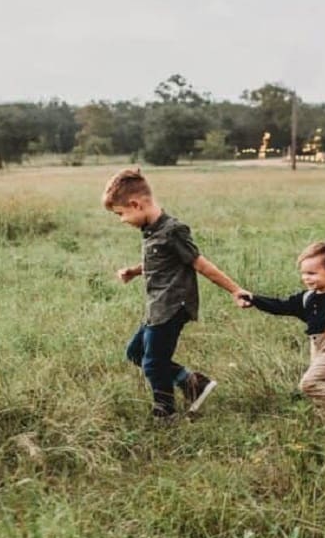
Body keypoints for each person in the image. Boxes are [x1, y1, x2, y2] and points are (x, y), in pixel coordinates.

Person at [103, 168, 249, 422]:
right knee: (135, 352)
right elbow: (161, 261)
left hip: (172, 307)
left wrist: (236, 290)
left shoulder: (173, 230)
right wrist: (135, 271)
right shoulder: (151, 230)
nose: (122, 220)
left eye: (121, 214)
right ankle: (192, 383)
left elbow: (201, 264)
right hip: (157, 307)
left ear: (136, 204)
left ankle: (165, 412)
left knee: (153, 363)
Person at [240, 242, 325, 428]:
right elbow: (280, 306)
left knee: (309, 384)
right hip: (317, 348)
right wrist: (254, 299)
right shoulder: (307, 298)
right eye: (303, 273)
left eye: (312, 273)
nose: (306, 278)